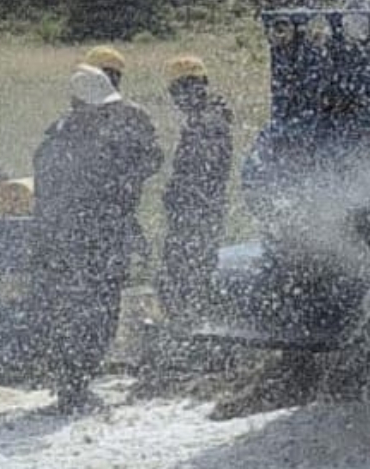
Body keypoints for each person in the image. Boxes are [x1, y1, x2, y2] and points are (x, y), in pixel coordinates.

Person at [33, 64, 159, 412]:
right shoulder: (63, 141)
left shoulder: (86, 136)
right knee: (83, 311)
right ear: (81, 106)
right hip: (79, 241)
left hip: (98, 238)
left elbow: (143, 168)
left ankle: (76, 381)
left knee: (95, 310)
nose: (105, 113)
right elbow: (51, 196)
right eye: (100, 107)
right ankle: (71, 384)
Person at [158, 56, 233, 322]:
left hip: (197, 216)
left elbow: (201, 172)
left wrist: (178, 197)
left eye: (176, 91)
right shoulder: (209, 117)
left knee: (182, 280)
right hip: (202, 213)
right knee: (191, 278)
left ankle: (198, 337)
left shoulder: (206, 122)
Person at [81, 44, 163, 265]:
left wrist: (127, 179)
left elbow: (154, 157)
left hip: (116, 205)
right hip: (90, 207)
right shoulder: (81, 114)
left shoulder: (132, 115)